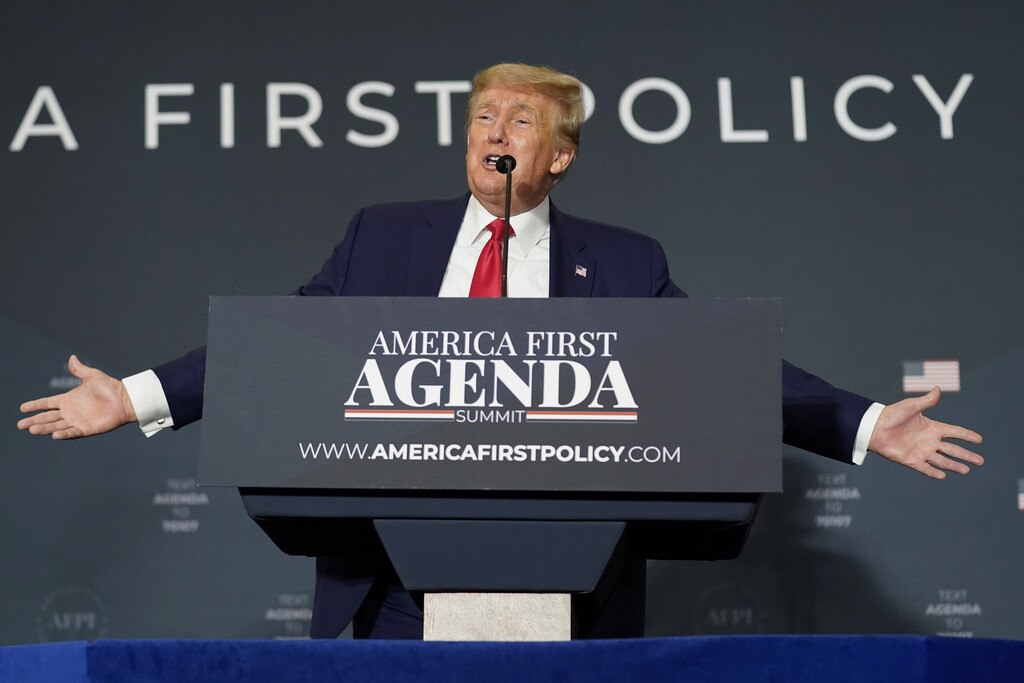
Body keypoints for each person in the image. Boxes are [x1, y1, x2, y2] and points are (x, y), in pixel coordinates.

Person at [18, 63, 983, 639]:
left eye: (520, 121)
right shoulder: (381, 238)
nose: (495, 132)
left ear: (559, 154)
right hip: (395, 574)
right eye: (483, 117)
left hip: (572, 574)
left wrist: (861, 420)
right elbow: (276, 343)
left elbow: (719, 370)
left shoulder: (621, 260)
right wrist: (138, 396)